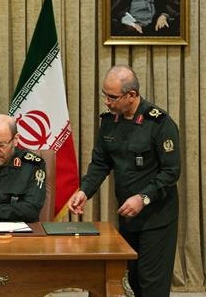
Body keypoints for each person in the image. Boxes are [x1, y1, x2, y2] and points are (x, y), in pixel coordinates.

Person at [68, 65, 180, 297]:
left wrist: (143, 197)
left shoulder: (159, 123)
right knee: (134, 281)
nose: (107, 102)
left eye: (112, 97)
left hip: (157, 217)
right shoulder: (110, 122)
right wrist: (84, 191)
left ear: (132, 95)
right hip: (128, 216)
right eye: (104, 95)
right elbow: (100, 163)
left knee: (152, 286)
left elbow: (171, 172)